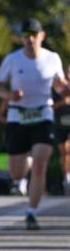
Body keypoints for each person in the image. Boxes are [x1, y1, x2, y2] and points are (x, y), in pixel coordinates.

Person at [0, 18, 69, 229]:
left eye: (34, 34)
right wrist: (8, 95)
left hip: (43, 115)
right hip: (18, 116)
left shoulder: (52, 58)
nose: (30, 39)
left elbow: (59, 84)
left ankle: (31, 212)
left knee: (40, 164)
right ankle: (24, 165)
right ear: (21, 37)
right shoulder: (13, 59)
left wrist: (65, 88)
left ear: (41, 36)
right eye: (26, 34)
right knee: (16, 173)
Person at [53, 62, 70, 195]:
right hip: (60, 124)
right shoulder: (57, 89)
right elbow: (49, 106)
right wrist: (62, 103)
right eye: (67, 73)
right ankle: (67, 177)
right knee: (64, 152)